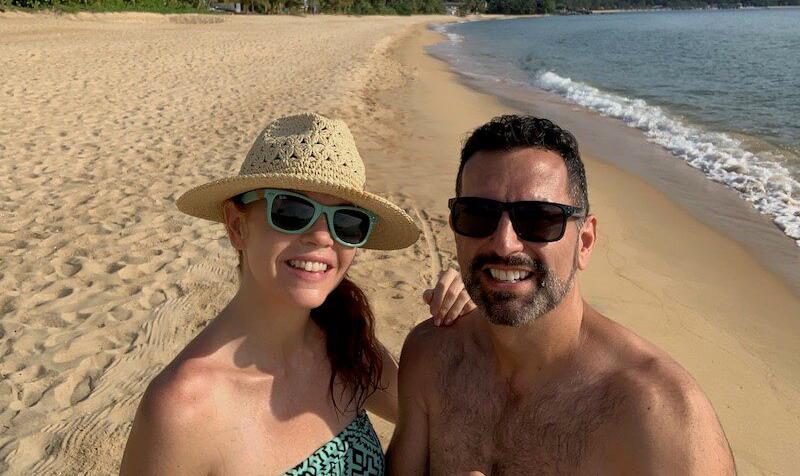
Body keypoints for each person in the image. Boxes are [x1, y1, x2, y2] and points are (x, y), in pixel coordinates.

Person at [119, 113, 474, 475]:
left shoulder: (345, 345)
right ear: (237, 225)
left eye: (346, 221)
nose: (322, 236)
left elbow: (437, 420)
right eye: (292, 210)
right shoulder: (181, 409)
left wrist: (474, 316)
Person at [387, 114, 736, 475]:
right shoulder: (431, 357)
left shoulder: (661, 418)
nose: (505, 244)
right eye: (478, 215)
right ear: (457, 230)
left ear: (584, 242)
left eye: (539, 219)